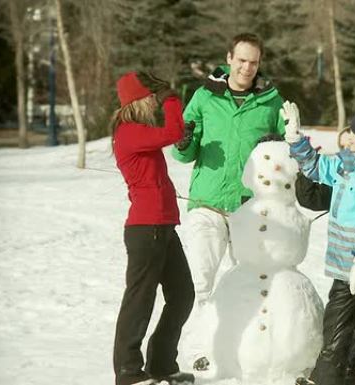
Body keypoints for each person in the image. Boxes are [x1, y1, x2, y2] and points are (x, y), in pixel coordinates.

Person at [171, 32, 285, 370]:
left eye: (254, 62)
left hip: (251, 207)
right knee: (199, 280)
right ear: (229, 58)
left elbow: (287, 150)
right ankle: (196, 352)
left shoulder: (271, 101)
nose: (247, 68)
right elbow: (184, 153)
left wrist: (278, 146)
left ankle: (244, 350)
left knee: (250, 281)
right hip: (206, 203)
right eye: (241, 60)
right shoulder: (204, 97)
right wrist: (184, 140)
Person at [283, 102, 355, 385]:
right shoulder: (350, 162)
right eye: (349, 132)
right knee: (335, 324)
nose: (347, 138)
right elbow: (316, 167)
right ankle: (326, 379)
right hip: (342, 266)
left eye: (354, 135)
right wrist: (296, 138)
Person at [111, 71, 195, 385]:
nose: (154, 105)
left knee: (182, 294)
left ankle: (161, 363)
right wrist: (172, 98)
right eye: (151, 99)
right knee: (140, 299)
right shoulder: (129, 131)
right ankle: (129, 372)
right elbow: (173, 130)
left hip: (162, 227)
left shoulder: (137, 132)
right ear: (137, 101)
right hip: (146, 229)